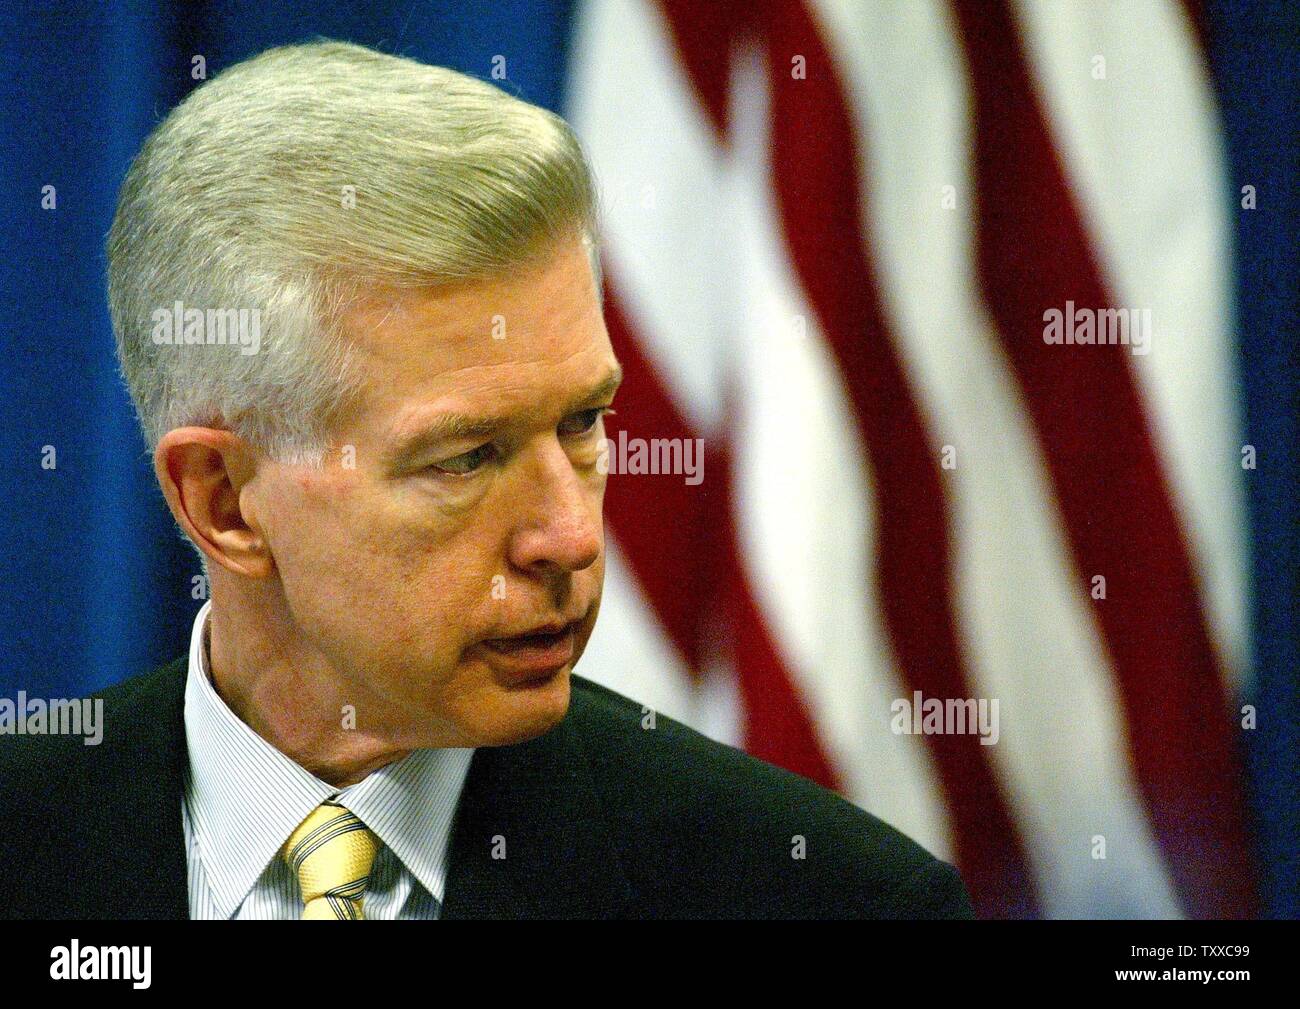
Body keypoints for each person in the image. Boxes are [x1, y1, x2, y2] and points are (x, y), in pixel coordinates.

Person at [0, 41, 972, 920]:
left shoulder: (822, 899)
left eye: (582, 423)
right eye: (465, 458)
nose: (572, 537)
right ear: (223, 499)